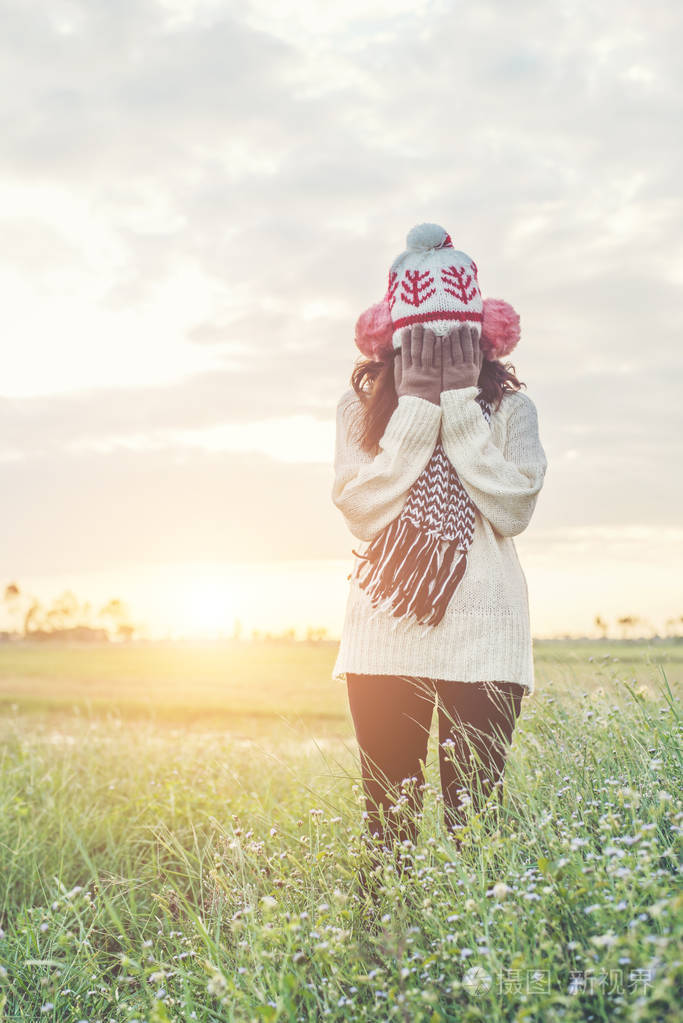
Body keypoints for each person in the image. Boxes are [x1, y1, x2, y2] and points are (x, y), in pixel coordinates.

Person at [329, 223, 548, 900]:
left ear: (480, 338)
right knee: (387, 823)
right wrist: (415, 410)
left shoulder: (509, 407)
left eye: (454, 341)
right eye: (422, 341)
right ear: (393, 339)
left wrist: (457, 407)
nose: (438, 352)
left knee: (473, 827)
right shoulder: (360, 408)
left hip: (485, 637)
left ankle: (468, 968)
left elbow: (511, 508)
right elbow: (361, 507)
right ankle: (386, 961)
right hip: (384, 636)